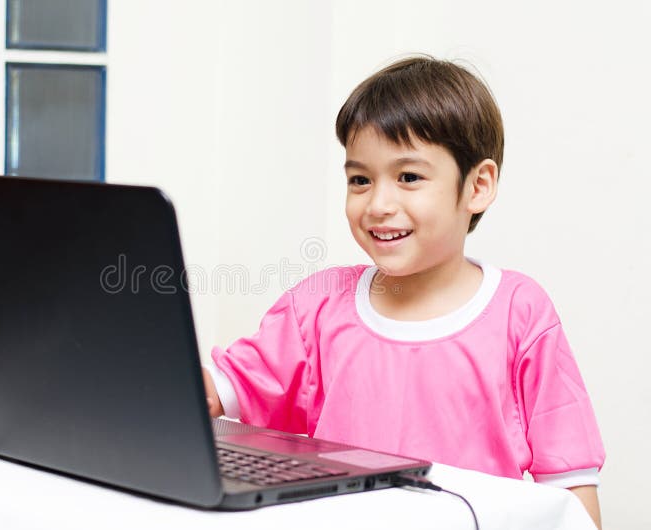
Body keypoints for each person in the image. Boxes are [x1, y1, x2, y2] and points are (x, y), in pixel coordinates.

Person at [201, 56, 604, 528]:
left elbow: (571, 488)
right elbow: (223, 391)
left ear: (478, 185)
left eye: (408, 177)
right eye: (360, 180)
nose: (378, 204)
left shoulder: (520, 313)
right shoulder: (317, 305)